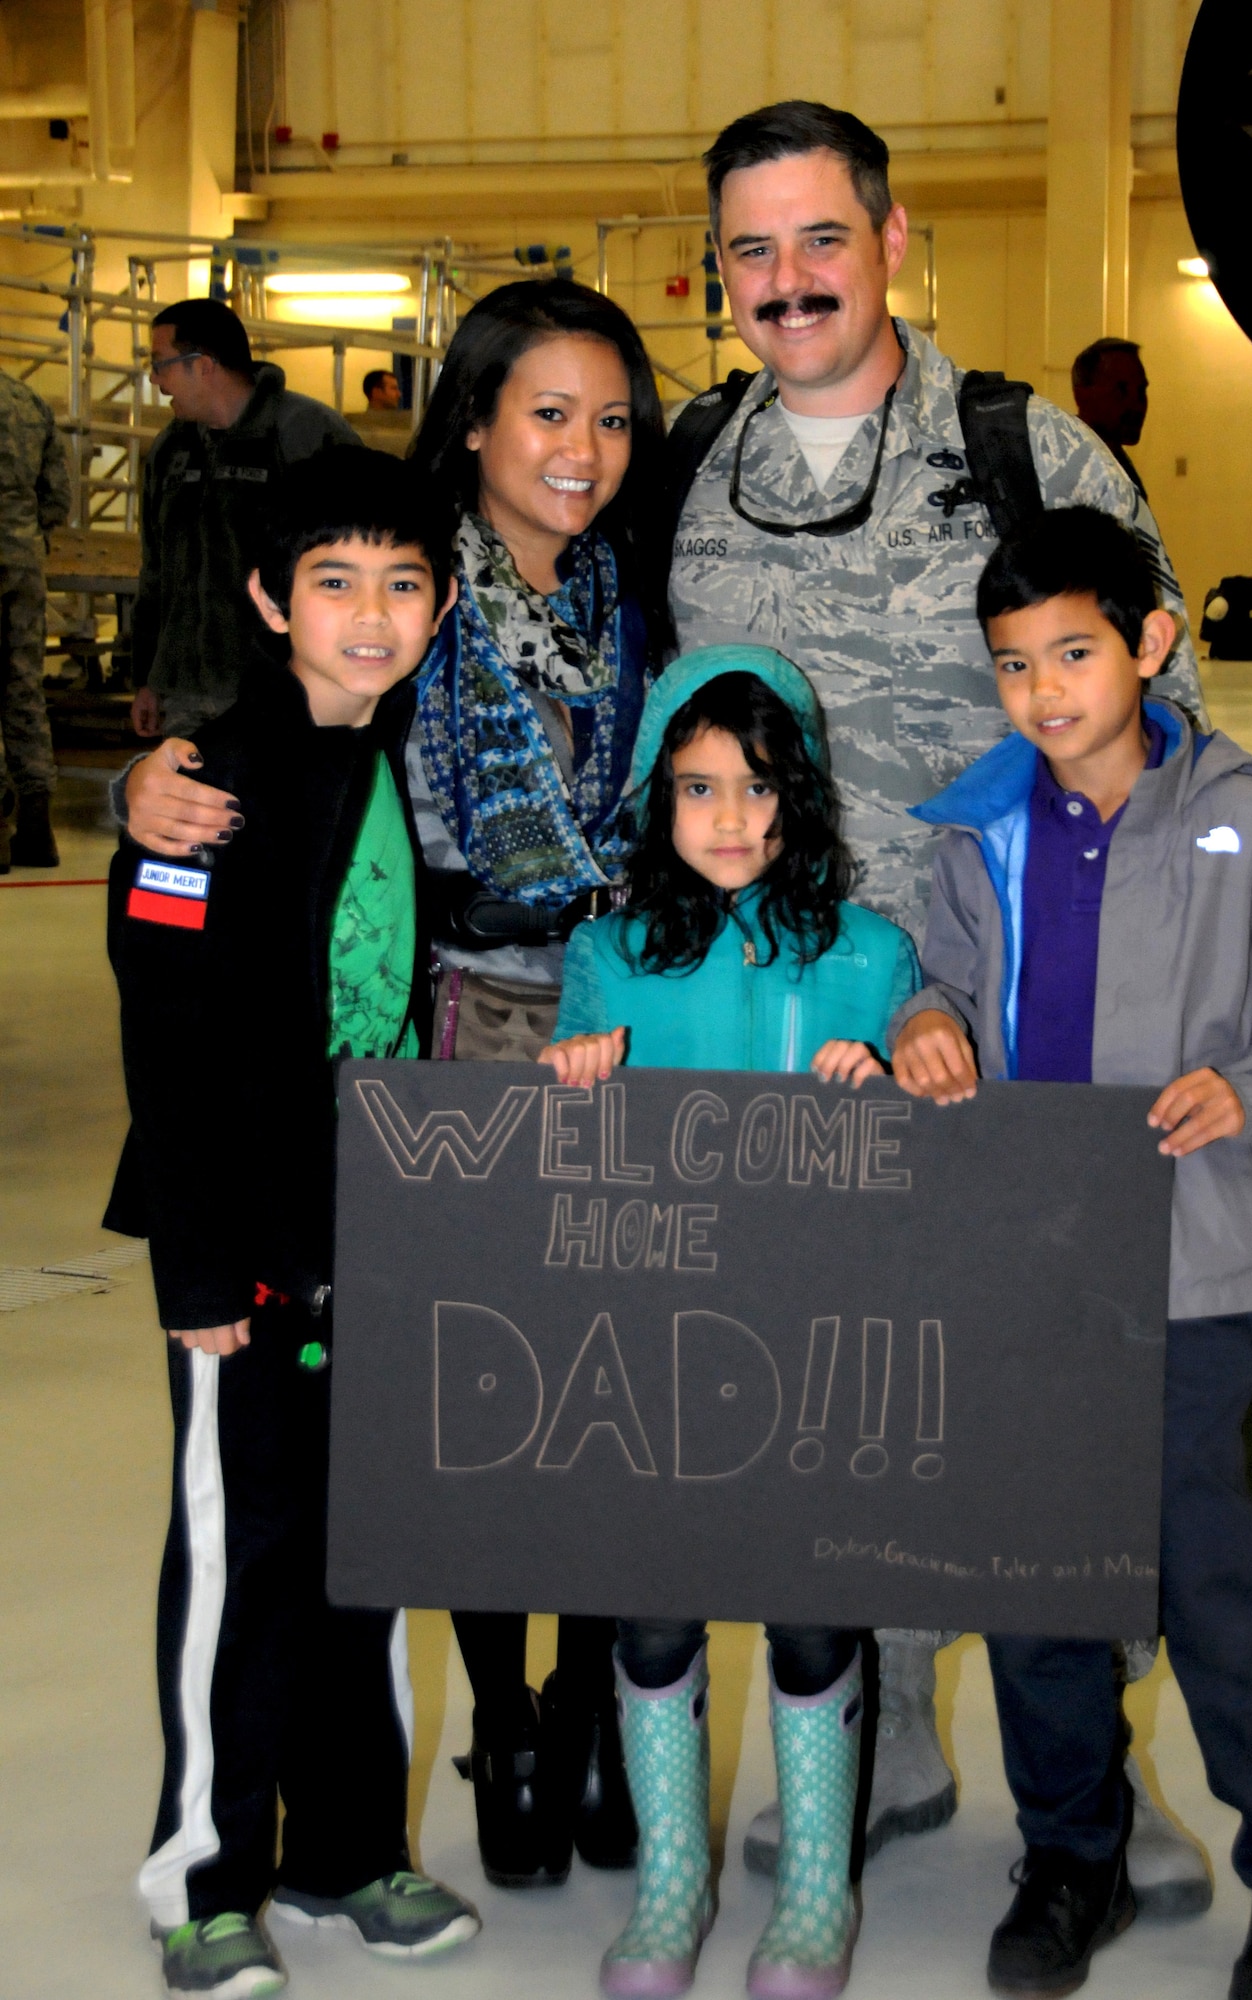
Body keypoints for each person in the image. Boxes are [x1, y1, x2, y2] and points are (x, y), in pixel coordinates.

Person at [670, 97, 1211, 1910]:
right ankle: (880, 1725)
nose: (787, 280)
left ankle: (1094, 1779)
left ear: (893, 243)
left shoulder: (1025, 451)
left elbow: (1172, 716)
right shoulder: (686, 465)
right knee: (843, 1390)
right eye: (750, 250)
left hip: (1027, 1020)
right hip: (798, 1034)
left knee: (1056, 1405)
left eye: (820, 238)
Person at [115, 277, 674, 1894]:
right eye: (546, 412)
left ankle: (527, 1744)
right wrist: (156, 781)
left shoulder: (636, 589)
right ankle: (449, 1742)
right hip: (424, 1074)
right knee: (438, 1436)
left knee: (579, 1414)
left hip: (593, 1040)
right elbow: (186, 987)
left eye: (612, 416)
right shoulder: (396, 595)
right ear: (477, 418)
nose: (581, 448)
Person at [889, 505, 1252, 2000]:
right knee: (1037, 1578)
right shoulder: (977, 828)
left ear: (1150, 644)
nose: (1045, 691)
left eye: (1076, 652)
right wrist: (923, 1023)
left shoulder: (1248, 819)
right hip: (1024, 1256)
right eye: (1013, 665)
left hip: (1196, 1261)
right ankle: (1070, 1855)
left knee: (1204, 1570)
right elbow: (947, 984)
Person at [103, 451, 479, 1999]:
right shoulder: (203, 791)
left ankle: (344, 1849)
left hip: (371, 1232)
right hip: (239, 1251)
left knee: (359, 1554)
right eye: (334, 582)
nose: (373, 614)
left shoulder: (389, 762)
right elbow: (165, 1044)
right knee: (239, 1555)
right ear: (270, 601)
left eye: (402, 583)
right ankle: (204, 1871)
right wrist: (198, 1266)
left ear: (440, 602)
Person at [541, 643, 920, 2000]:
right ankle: (671, 1881)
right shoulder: (606, 958)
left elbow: (933, 1141)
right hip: (653, 1350)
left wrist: (890, 1080)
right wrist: (577, 1072)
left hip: (817, 1347)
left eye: (761, 790)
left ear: (801, 798)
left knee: (815, 1618)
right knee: (654, 1619)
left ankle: (816, 1889)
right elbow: (568, 1165)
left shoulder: (873, 953)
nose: (733, 822)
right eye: (699, 789)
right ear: (656, 795)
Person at [131, 298, 358, 741]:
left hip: (284, 692)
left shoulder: (305, 435)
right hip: (185, 699)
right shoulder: (170, 452)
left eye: (161, 365)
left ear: (203, 365)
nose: (156, 382)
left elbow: (356, 564)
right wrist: (148, 680)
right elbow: (154, 572)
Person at [0, 363, 72, 870]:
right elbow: (58, 500)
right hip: (22, 562)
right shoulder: (28, 402)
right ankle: (36, 826)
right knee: (23, 688)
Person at [1070, 337, 1149, 501]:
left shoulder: (1118, 462)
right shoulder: (1067, 466)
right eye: (1121, 391)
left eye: (1141, 391)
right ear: (1082, 395)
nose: (1137, 405)